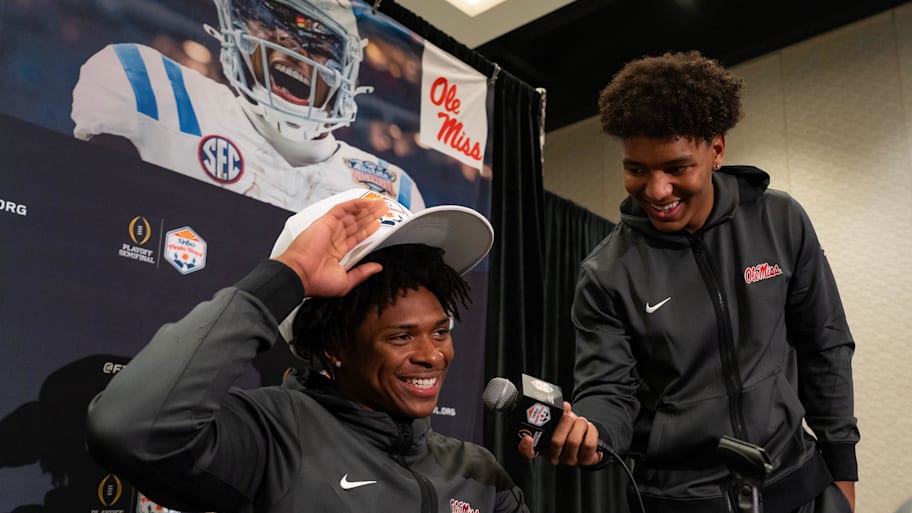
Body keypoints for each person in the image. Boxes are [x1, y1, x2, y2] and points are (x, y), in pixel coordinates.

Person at [519, 51, 859, 513]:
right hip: (683, 501)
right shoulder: (607, 273)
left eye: (676, 168)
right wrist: (592, 433)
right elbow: (608, 391)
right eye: (636, 169)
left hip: (798, 485)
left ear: (716, 150)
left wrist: (842, 469)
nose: (657, 191)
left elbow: (825, 346)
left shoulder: (779, 220)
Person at [84, 189, 526, 513]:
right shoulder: (271, 435)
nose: (432, 355)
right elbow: (128, 428)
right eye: (401, 337)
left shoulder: (478, 472)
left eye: (440, 331)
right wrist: (289, 274)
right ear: (334, 346)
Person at [71, 0, 425, 211]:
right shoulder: (151, 87)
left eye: (320, 42)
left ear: (347, 69)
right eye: (273, 26)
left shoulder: (394, 190)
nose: (295, 51)